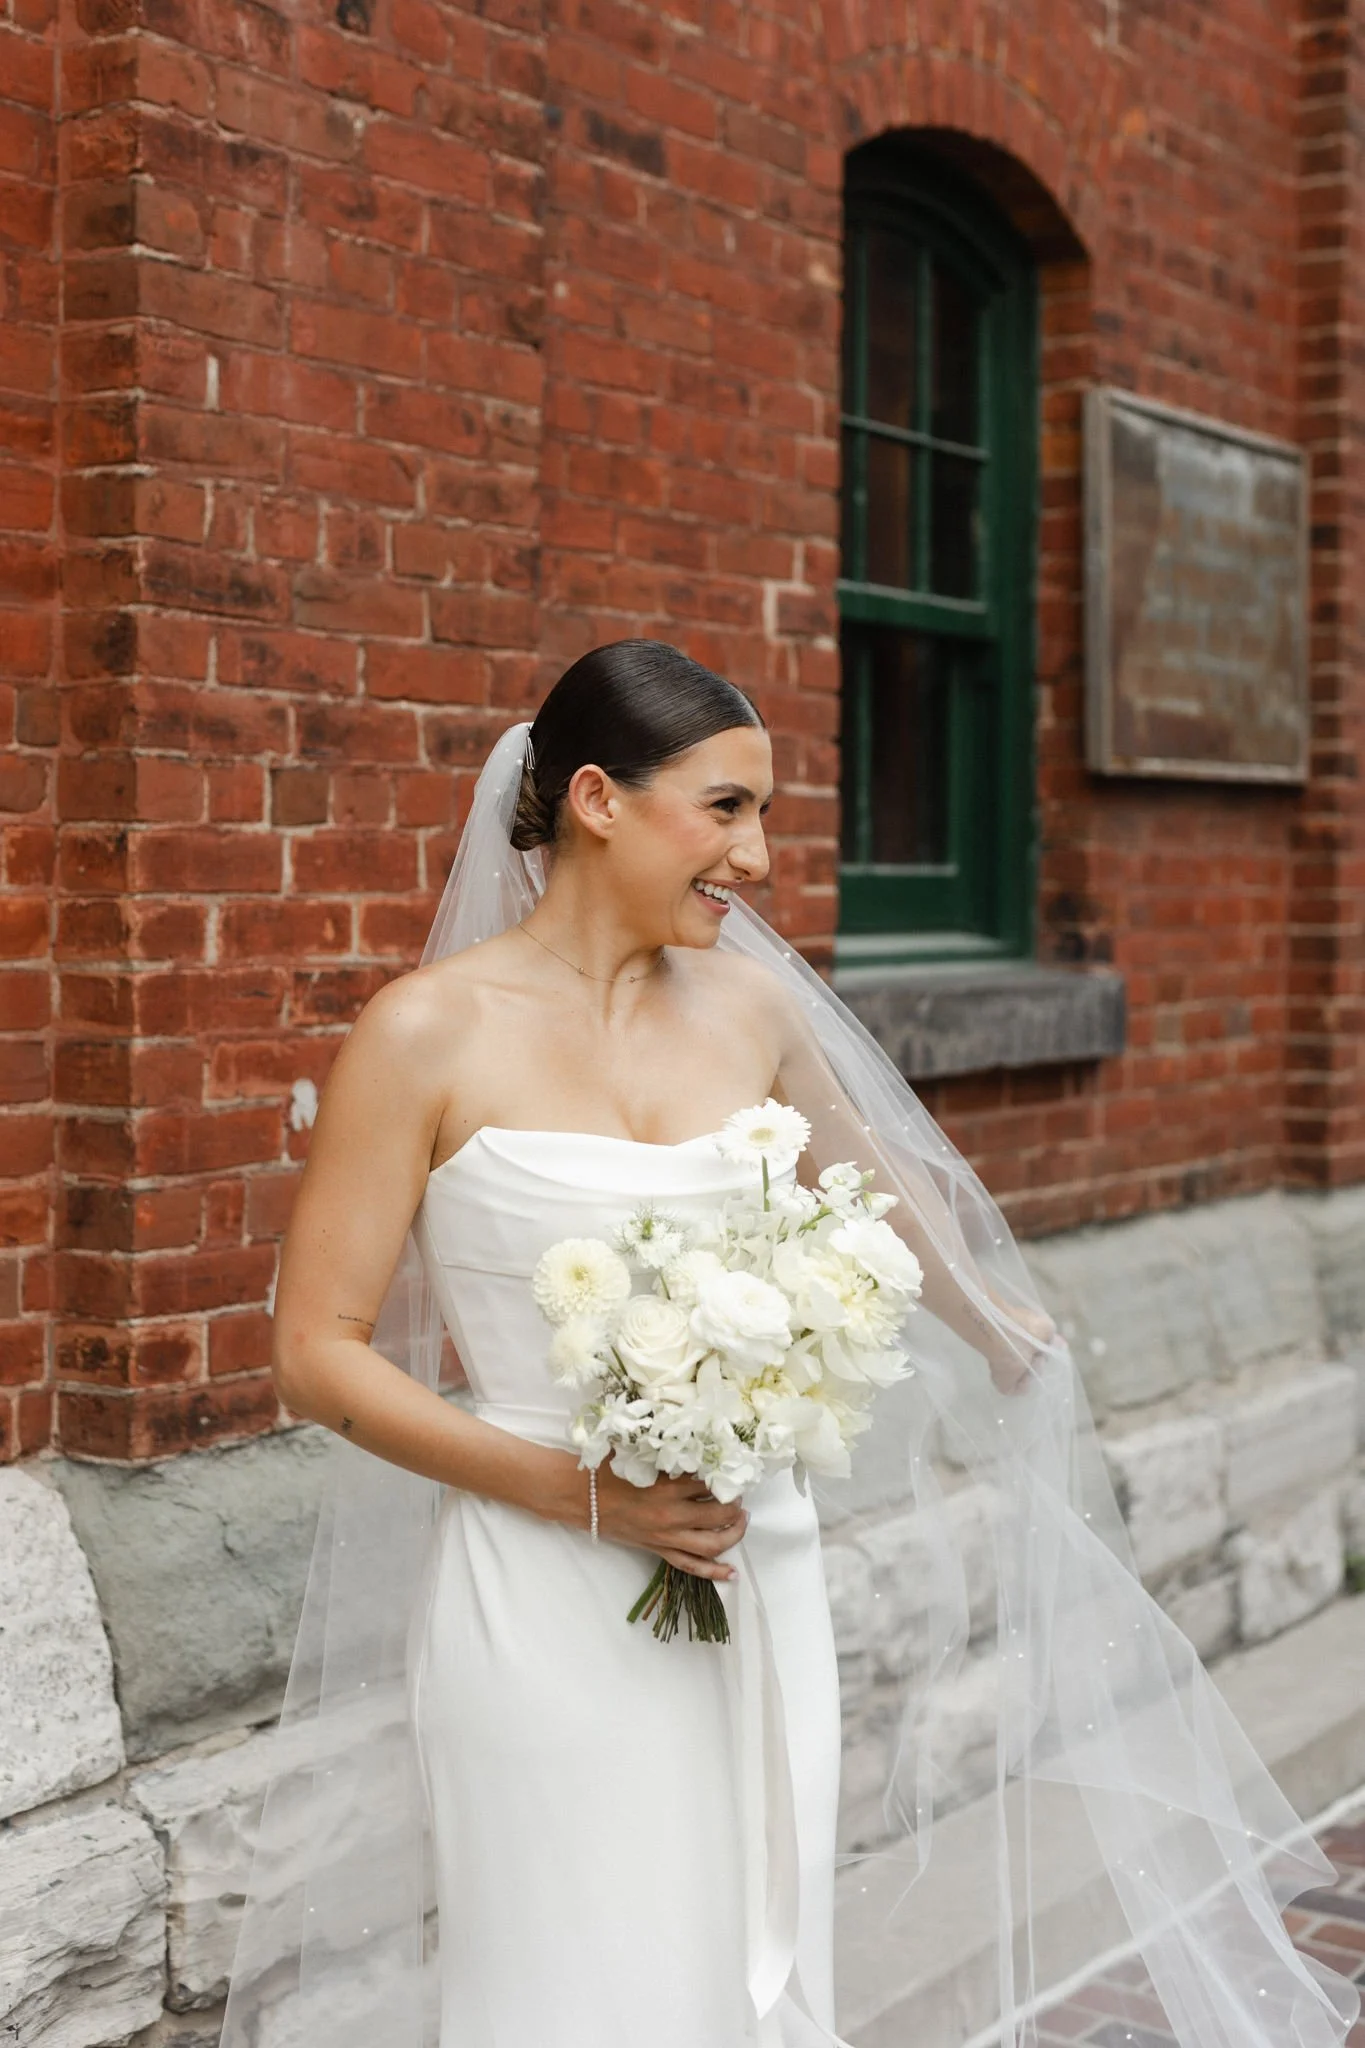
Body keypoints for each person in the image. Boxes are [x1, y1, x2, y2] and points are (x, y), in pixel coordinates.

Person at [221, 641, 1360, 2048]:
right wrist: (585, 1494)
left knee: (751, 1951)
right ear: (594, 798)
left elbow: (871, 1181)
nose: (758, 859)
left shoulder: (751, 1008)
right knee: (568, 1970)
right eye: (727, 809)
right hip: (542, 1583)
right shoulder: (423, 1035)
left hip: (752, 1568)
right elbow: (316, 1354)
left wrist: (998, 1328)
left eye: (765, 817)